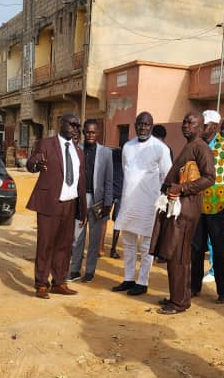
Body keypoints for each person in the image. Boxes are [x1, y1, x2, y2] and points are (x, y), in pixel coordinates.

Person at [151, 111, 215, 314]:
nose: (186, 125)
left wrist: (182, 189)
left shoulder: (201, 148)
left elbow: (209, 178)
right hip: (178, 207)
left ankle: (178, 303)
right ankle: (179, 298)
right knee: (177, 254)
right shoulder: (191, 146)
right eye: (185, 122)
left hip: (186, 209)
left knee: (178, 254)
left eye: (191, 123)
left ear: (201, 126)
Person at [26, 112, 86, 299]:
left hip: (70, 203)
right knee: (46, 244)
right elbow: (31, 163)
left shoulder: (78, 151)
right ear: (61, 124)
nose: (75, 128)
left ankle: (59, 282)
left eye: (78, 126)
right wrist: (36, 164)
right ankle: (41, 284)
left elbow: (80, 181)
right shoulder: (46, 143)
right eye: (72, 124)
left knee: (64, 246)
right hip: (49, 202)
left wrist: (82, 210)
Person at [112, 112, 172, 296]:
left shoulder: (160, 148)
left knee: (146, 246)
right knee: (128, 242)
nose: (143, 128)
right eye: (140, 124)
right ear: (135, 124)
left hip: (149, 204)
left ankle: (142, 282)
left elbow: (166, 176)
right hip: (129, 201)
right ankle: (129, 279)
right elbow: (126, 170)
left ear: (152, 126)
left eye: (146, 124)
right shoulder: (128, 146)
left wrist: (161, 201)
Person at [191, 110, 224, 304]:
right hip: (198, 204)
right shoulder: (196, 145)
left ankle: (222, 292)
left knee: (218, 249)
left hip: (218, 205)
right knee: (196, 248)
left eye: (205, 125)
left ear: (214, 126)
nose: (202, 128)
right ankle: (194, 287)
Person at [69, 119, 114, 283]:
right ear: (83, 133)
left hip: (97, 202)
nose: (90, 135)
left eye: (93, 132)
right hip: (79, 200)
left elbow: (109, 181)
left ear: (98, 133)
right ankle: (74, 270)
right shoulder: (76, 149)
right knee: (77, 237)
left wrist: (108, 204)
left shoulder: (106, 153)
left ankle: (89, 271)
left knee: (94, 239)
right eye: (87, 132)